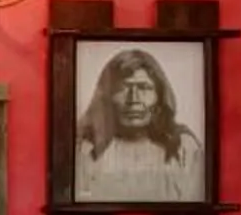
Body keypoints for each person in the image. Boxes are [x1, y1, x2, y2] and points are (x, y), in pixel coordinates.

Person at [74, 47, 204, 202]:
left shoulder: (184, 148)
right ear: (107, 95)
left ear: (159, 96)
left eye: (144, 88)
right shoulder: (83, 148)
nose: (134, 99)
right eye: (123, 88)